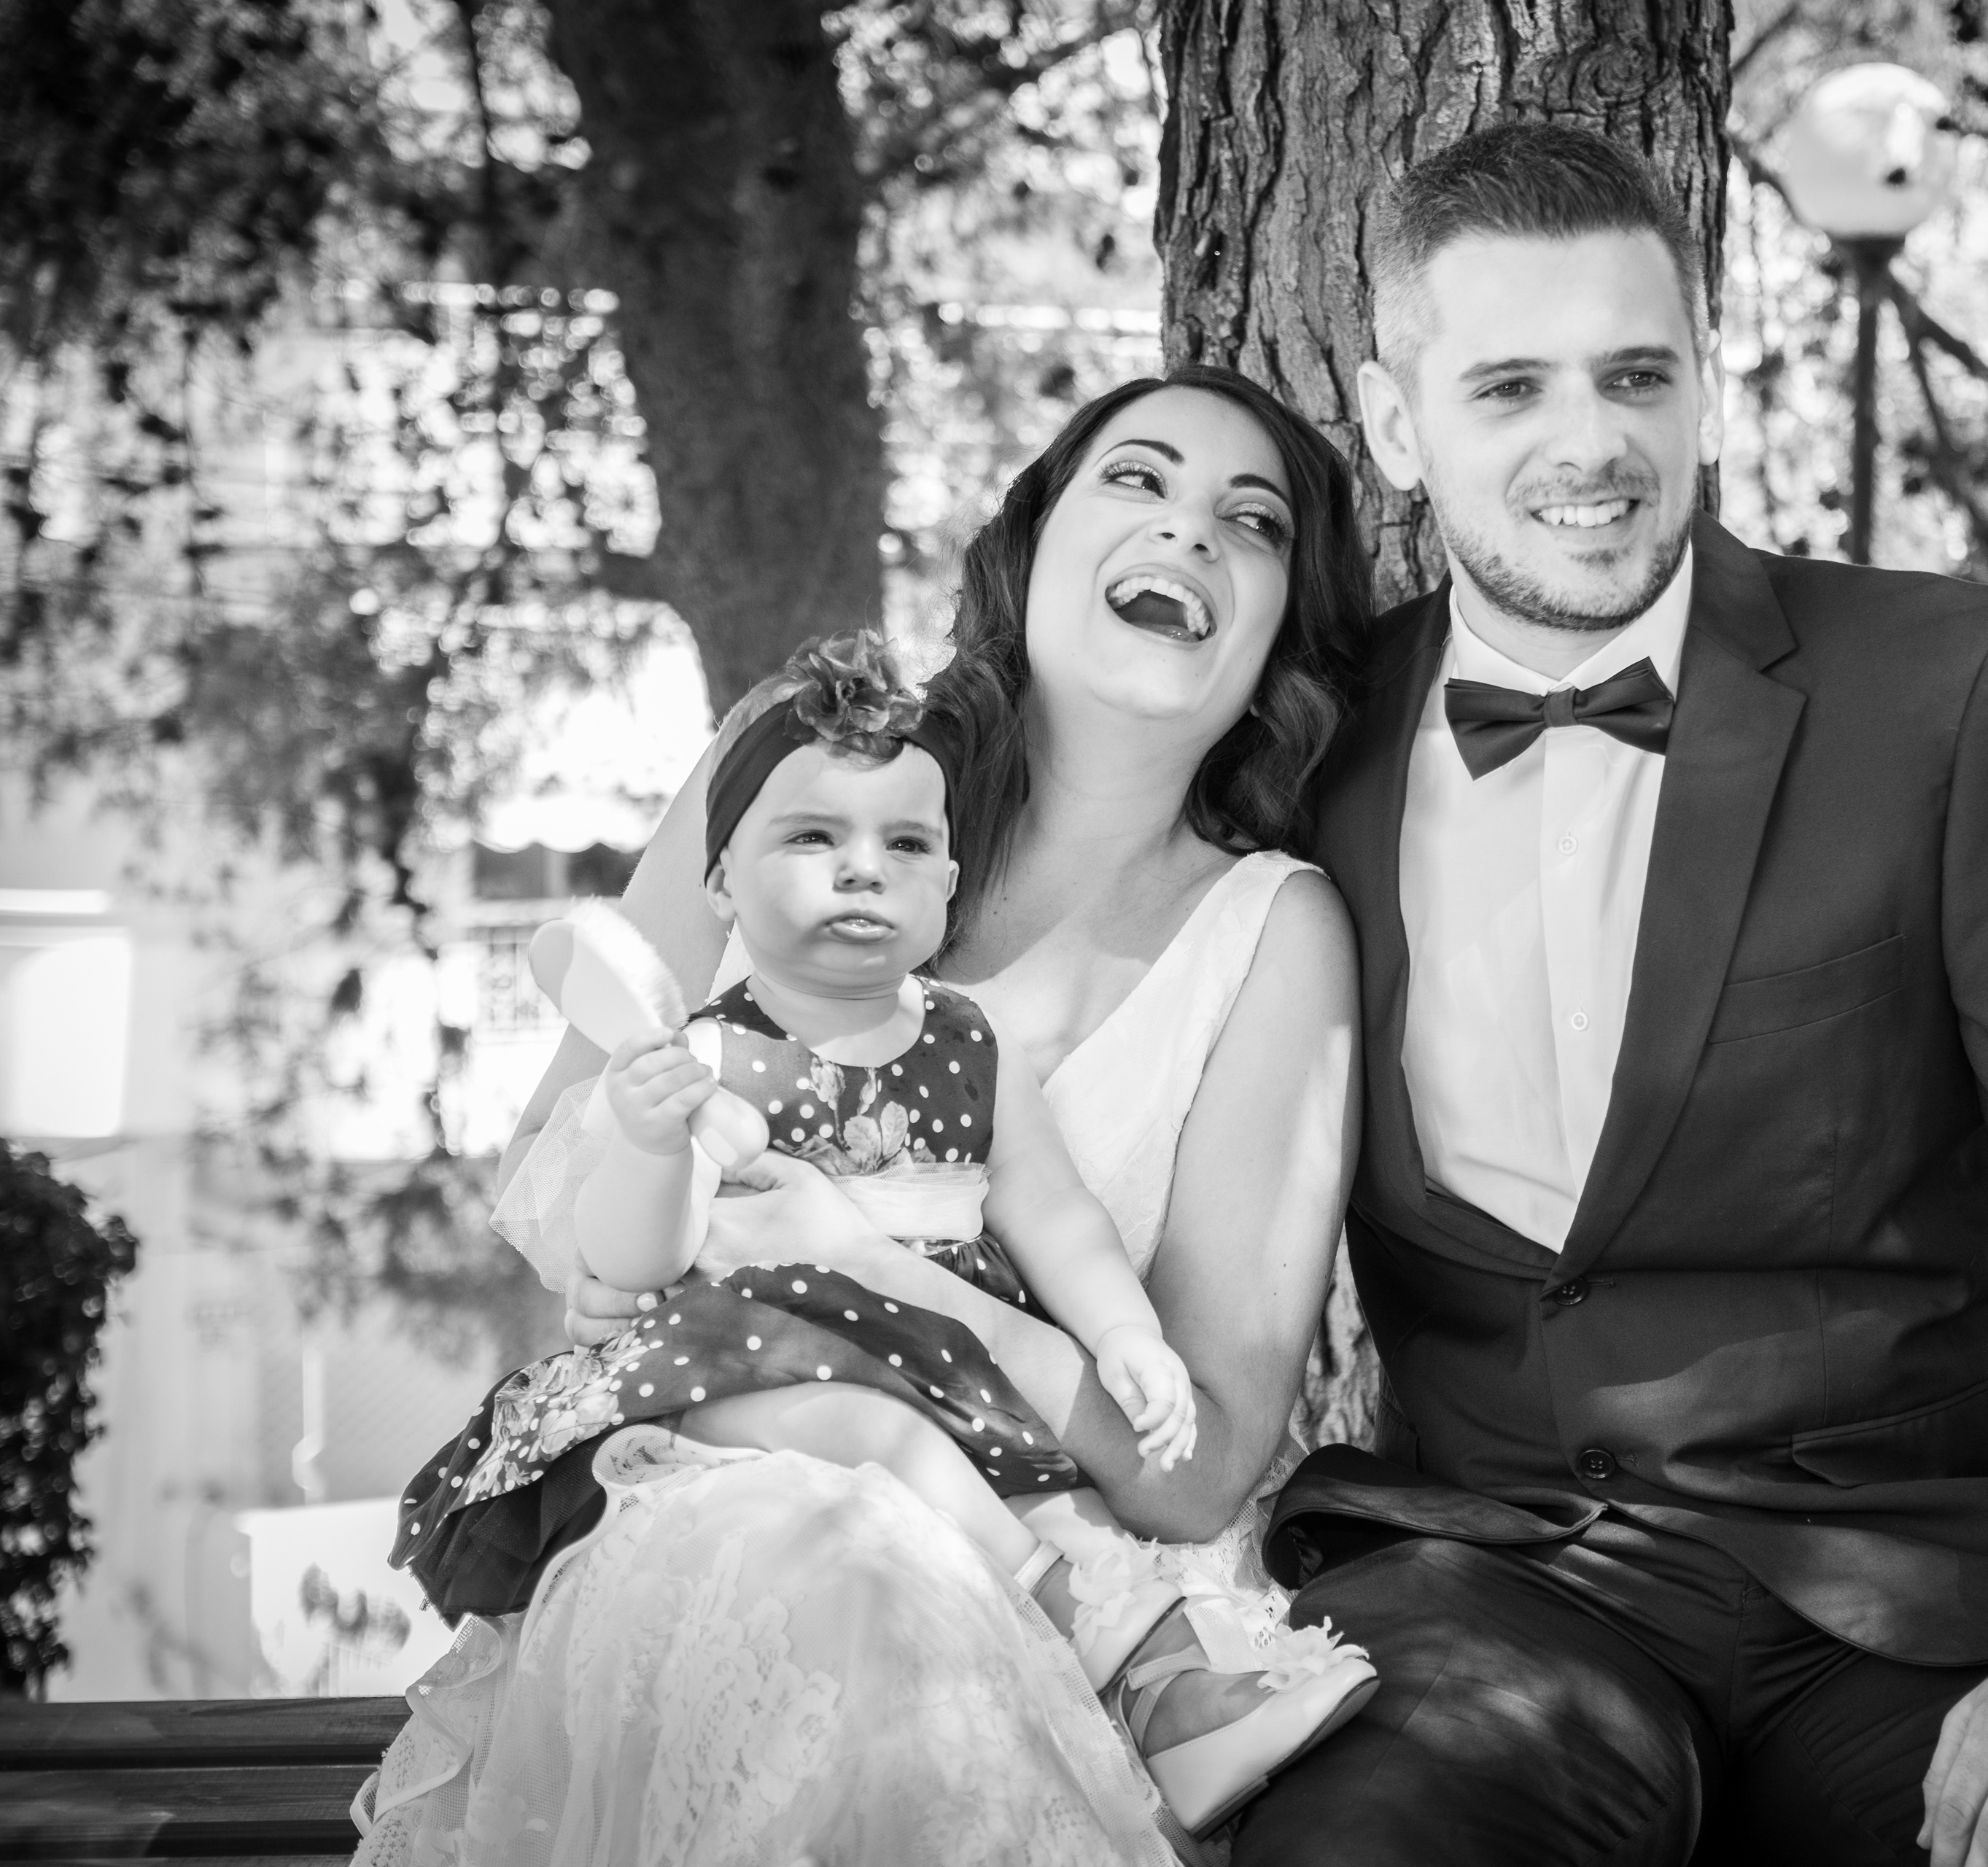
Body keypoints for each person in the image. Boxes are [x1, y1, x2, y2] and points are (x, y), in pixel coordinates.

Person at [1232, 124, 1988, 1867]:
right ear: (1393, 422)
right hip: (1494, 1589)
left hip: (1918, 1597)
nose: (1591, 442)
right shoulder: (1304, 742)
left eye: (1636, 374)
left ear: (1707, 385)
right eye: (1509, 386)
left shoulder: (1945, 686)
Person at [351, 365, 1378, 1866]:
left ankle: (1135, 1680)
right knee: (819, 1562)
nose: (1191, 530)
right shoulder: (793, 764)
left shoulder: (1273, 933)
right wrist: (636, 1208)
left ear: (1281, 623)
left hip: (1075, 1580)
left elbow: (1201, 1462)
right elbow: (557, 1173)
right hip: (714, 1487)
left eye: (1255, 520)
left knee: (879, 1587)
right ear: (1031, 542)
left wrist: (874, 1263)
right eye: (1138, 478)